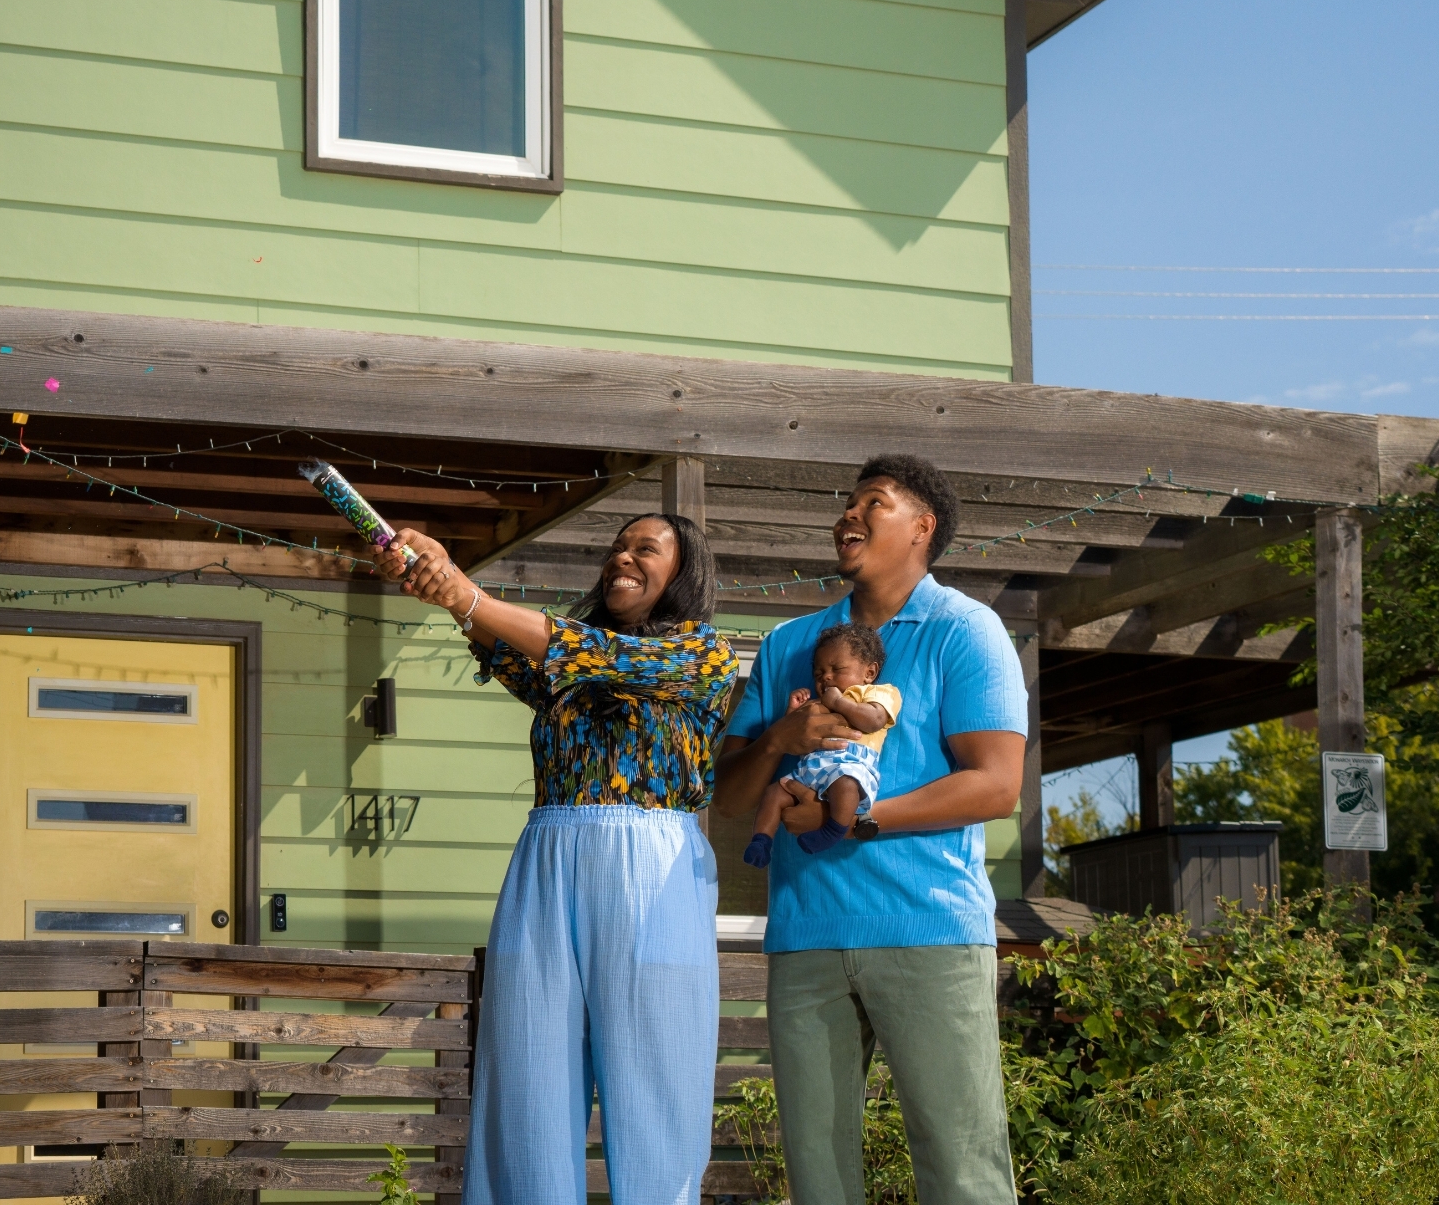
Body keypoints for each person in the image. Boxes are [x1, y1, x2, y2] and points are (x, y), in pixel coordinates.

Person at [392, 511, 738, 1205]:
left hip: (654, 869)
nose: (622, 557)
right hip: (547, 856)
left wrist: (463, 590)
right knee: (527, 1072)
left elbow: (589, 653)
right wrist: (436, 579)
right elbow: (512, 646)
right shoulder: (565, 667)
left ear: (684, 573)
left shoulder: (704, 654)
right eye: (618, 546)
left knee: (657, 1079)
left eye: (646, 549)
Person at [715, 454, 1029, 1205]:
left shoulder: (966, 631)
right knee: (819, 1180)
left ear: (922, 527)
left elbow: (996, 784)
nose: (848, 515)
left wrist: (857, 822)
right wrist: (780, 739)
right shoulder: (789, 643)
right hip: (806, 936)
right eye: (847, 503)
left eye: (873, 502)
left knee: (962, 1173)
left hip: (930, 931)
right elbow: (729, 798)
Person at [743, 622, 899, 864]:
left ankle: (833, 831)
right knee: (775, 792)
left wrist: (838, 703)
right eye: (819, 673)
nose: (826, 676)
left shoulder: (877, 694)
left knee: (846, 785)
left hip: (850, 764)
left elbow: (874, 720)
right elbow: (795, 738)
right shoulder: (818, 702)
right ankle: (761, 840)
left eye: (837, 669)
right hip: (811, 767)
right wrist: (792, 714)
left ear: (869, 672)